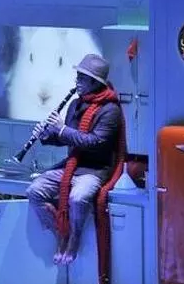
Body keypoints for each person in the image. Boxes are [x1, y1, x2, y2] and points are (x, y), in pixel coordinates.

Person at [26, 54, 123, 266]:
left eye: (82, 77)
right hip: (72, 166)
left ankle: (74, 239)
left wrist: (62, 129)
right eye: (77, 76)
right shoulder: (75, 105)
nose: (76, 81)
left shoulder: (110, 110)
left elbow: (94, 142)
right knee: (34, 191)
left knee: (78, 198)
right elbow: (66, 139)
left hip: (95, 170)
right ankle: (61, 232)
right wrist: (46, 135)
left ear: (94, 82)